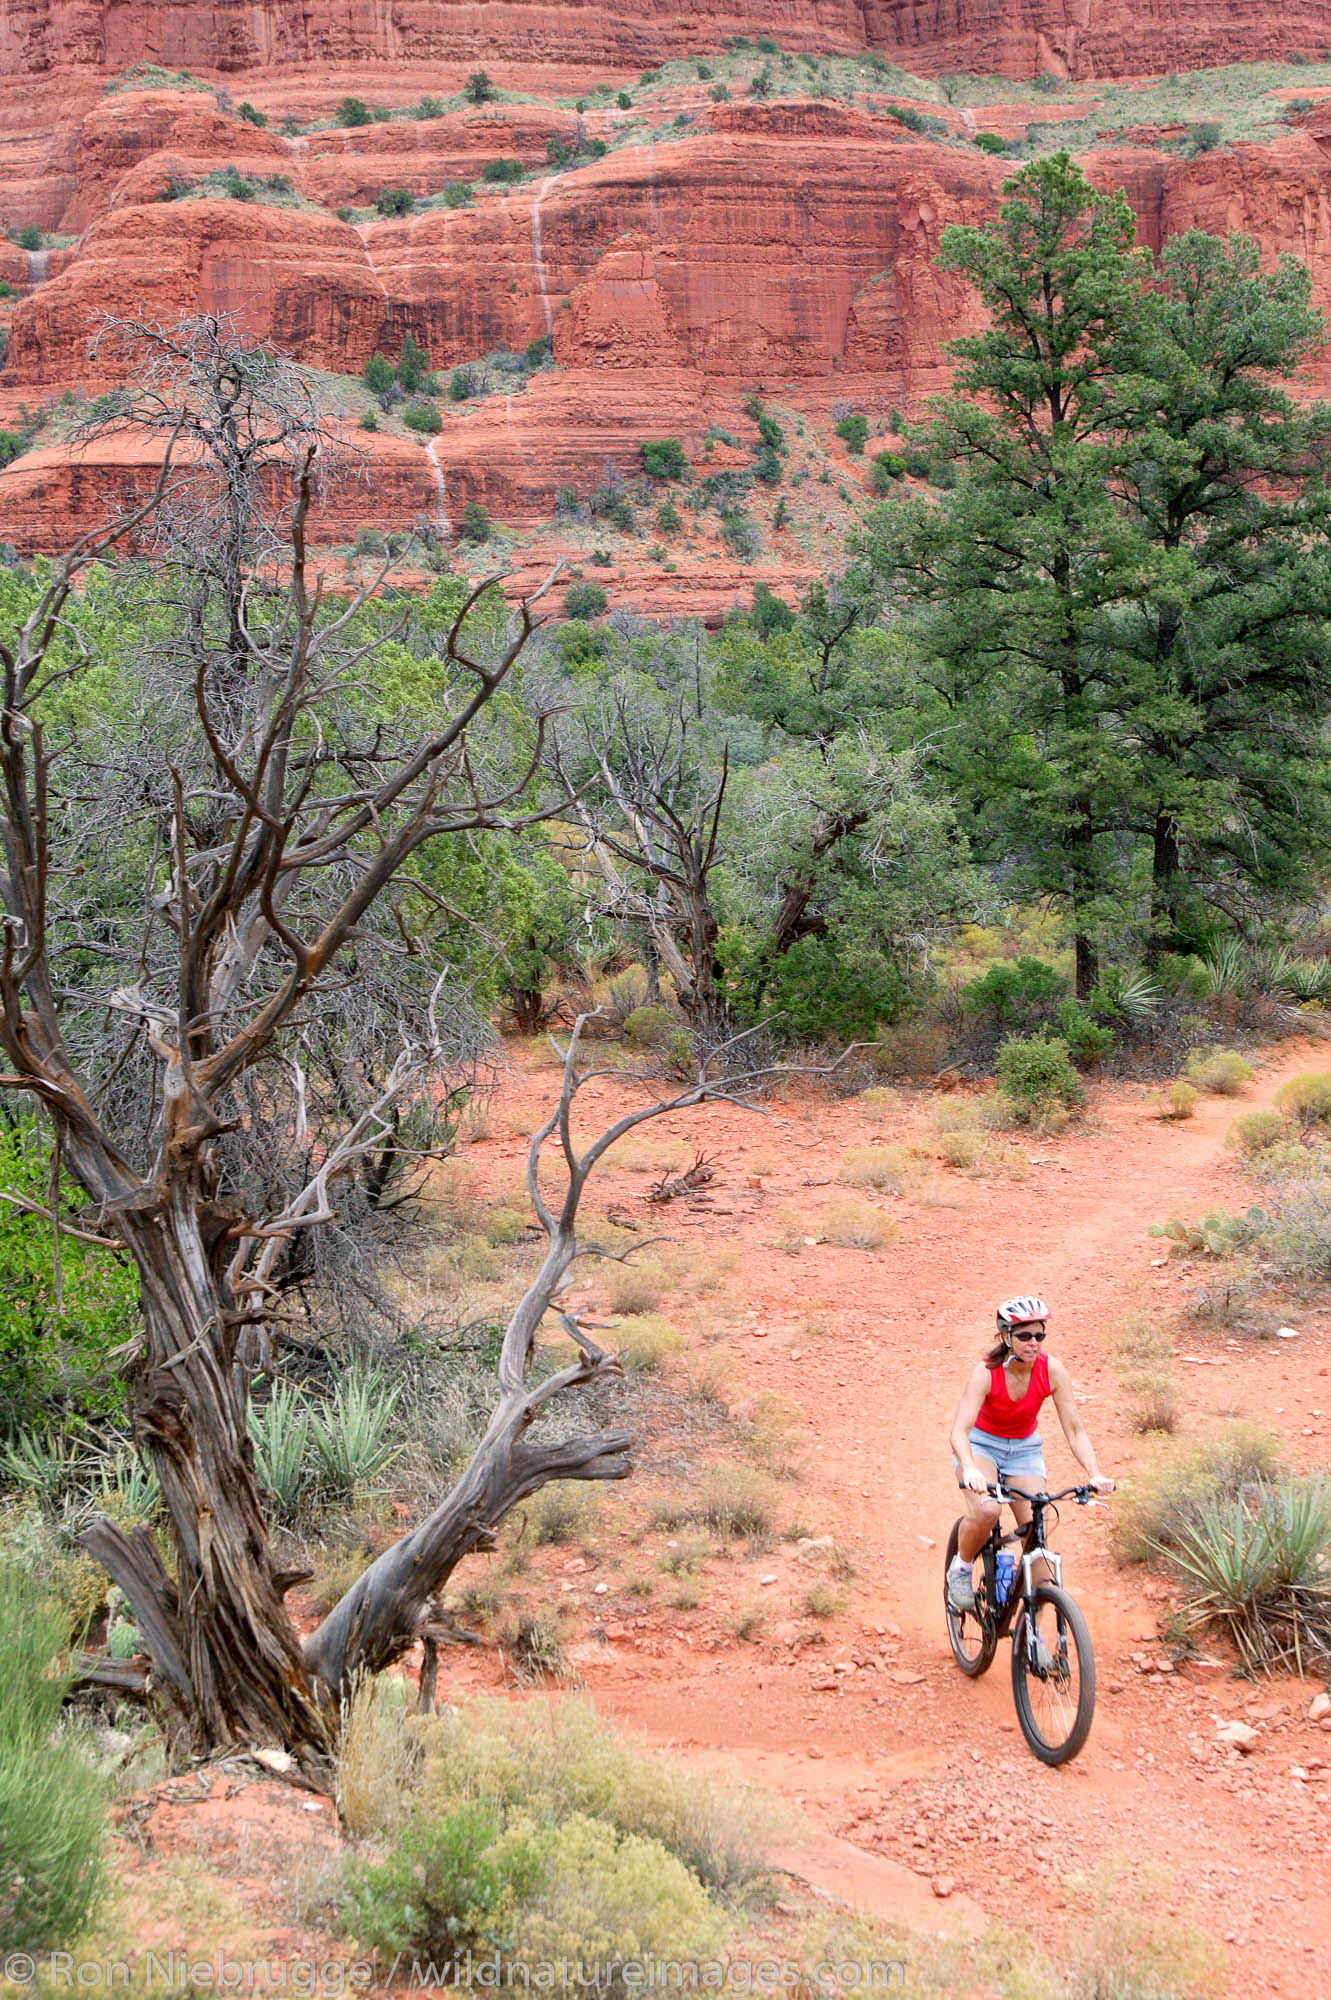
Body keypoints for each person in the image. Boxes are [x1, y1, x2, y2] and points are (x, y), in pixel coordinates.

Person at [946, 1294, 1114, 1612]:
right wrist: (969, 1468)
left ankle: (1034, 1639)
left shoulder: (1052, 1370)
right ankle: (962, 1567)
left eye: (1039, 1335)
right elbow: (960, 1431)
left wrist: (1095, 1473)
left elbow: (1075, 1430)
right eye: (1024, 1336)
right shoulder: (985, 1372)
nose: (1033, 1343)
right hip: (982, 1445)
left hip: (1023, 1450)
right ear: (1006, 1336)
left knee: (1039, 1527)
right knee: (988, 1511)